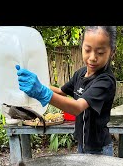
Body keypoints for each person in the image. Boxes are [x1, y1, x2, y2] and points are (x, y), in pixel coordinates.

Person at [16, 26, 117, 156]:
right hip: (83, 143)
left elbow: (77, 107)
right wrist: (38, 84)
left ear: (112, 52)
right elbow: (61, 91)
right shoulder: (80, 74)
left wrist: (42, 92)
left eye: (100, 52)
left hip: (99, 148)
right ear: (81, 47)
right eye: (87, 50)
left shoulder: (105, 81)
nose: (92, 57)